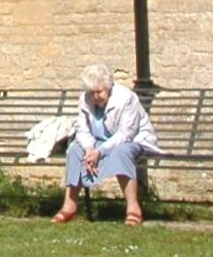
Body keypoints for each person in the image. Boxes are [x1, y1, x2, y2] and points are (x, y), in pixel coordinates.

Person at [53, 61, 152, 225]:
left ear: (108, 87)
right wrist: (89, 149)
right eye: (91, 92)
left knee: (122, 152)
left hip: (132, 139)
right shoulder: (85, 99)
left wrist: (100, 151)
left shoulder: (126, 98)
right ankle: (69, 206)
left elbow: (126, 133)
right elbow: (82, 129)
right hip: (97, 142)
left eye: (99, 92)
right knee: (74, 151)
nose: (95, 97)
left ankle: (133, 209)